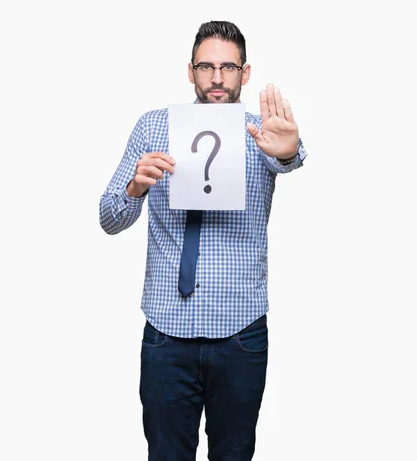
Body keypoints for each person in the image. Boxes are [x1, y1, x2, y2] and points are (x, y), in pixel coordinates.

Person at [99, 20, 306, 461]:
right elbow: (109, 218)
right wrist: (135, 188)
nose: (217, 78)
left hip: (240, 334)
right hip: (166, 333)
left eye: (228, 68)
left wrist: (287, 149)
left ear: (244, 74)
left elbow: (289, 159)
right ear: (190, 71)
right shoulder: (153, 127)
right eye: (207, 67)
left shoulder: (261, 133)